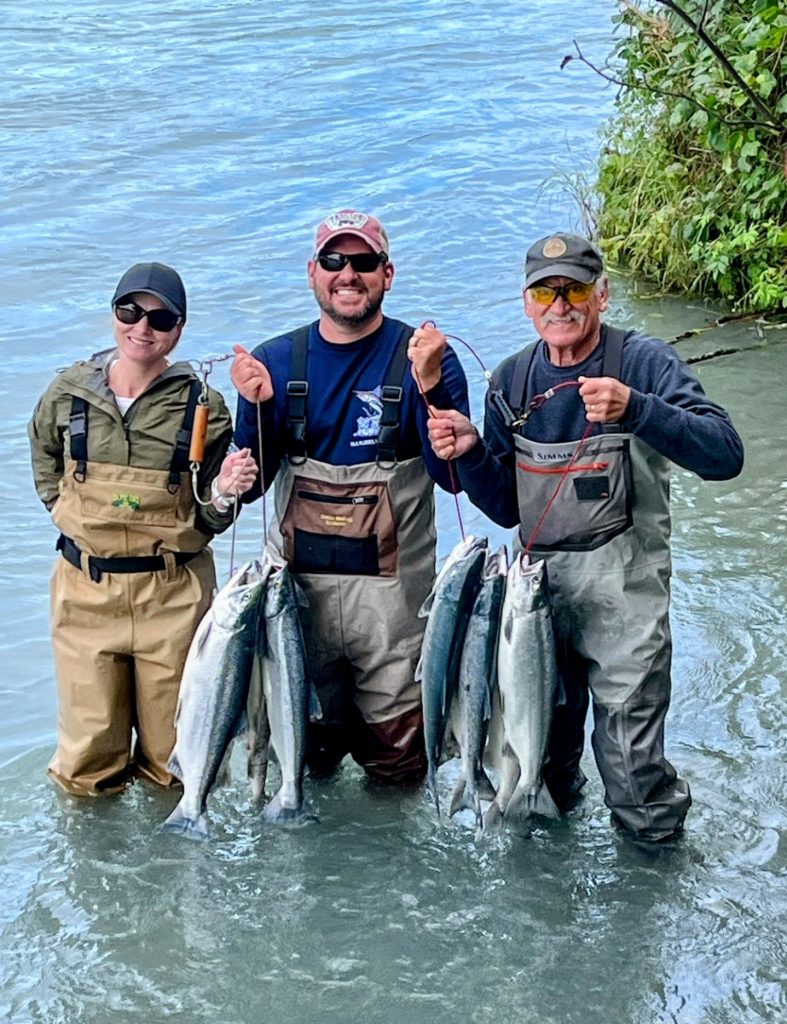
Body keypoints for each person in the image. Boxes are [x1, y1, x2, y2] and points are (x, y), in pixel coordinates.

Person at [426, 231, 744, 842]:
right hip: (537, 604)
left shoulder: (643, 363)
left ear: (602, 294)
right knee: (539, 766)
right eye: (545, 292)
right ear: (526, 302)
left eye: (573, 289)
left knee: (633, 776)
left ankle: (651, 878)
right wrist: (469, 453)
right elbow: (506, 508)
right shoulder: (511, 380)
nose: (560, 305)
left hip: (626, 600)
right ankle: (548, 886)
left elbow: (725, 454)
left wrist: (637, 409)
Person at [231, 208, 470, 784]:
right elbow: (251, 486)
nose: (348, 274)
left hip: (394, 618)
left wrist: (432, 386)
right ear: (312, 272)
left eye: (363, 261)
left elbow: (454, 479)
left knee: (400, 772)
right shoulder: (272, 362)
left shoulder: (424, 357)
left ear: (387, 274)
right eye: (334, 260)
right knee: (304, 766)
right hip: (298, 609)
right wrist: (254, 410)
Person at [29, 262, 258, 797]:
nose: (142, 328)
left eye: (160, 318)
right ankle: (94, 851)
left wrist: (226, 491)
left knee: (176, 761)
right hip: (84, 596)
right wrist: (68, 516)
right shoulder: (67, 393)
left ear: (179, 329)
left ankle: (173, 845)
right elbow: (44, 464)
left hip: (174, 599)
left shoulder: (204, 407)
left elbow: (210, 517)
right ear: (113, 313)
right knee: (84, 765)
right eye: (130, 311)